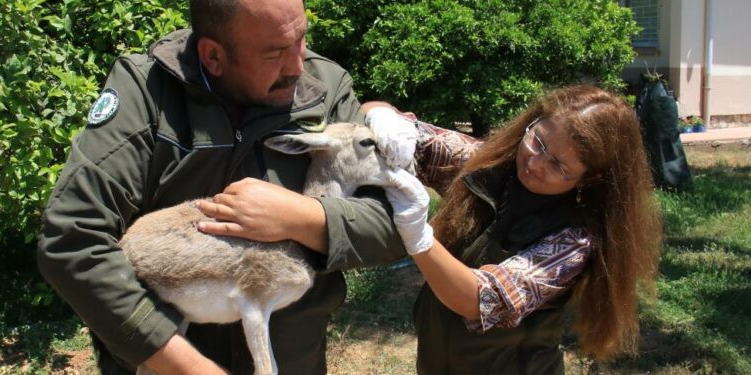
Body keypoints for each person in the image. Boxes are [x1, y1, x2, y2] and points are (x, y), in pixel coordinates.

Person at [37, 0, 423, 374]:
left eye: (301, 39)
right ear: (213, 57)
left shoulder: (328, 87)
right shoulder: (146, 91)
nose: (297, 66)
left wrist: (300, 217)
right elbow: (72, 236)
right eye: (274, 54)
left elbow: (394, 223)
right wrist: (188, 368)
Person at [385, 85, 663, 374]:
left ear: (589, 178)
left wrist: (418, 236)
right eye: (538, 142)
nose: (535, 163)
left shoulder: (573, 242)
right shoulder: (484, 165)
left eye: (558, 165)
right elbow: (402, 130)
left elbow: (480, 299)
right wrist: (384, 118)